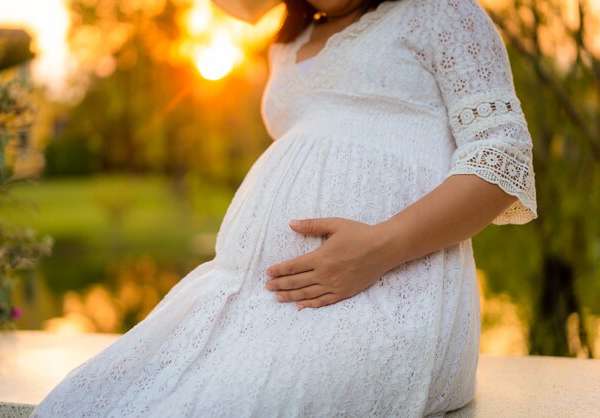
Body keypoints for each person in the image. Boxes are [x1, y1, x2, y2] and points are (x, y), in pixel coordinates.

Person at [30, 0, 538, 416]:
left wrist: (378, 249)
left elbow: (502, 162)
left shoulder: (442, 13)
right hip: (246, 295)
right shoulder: (287, 43)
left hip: (395, 294)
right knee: (90, 397)